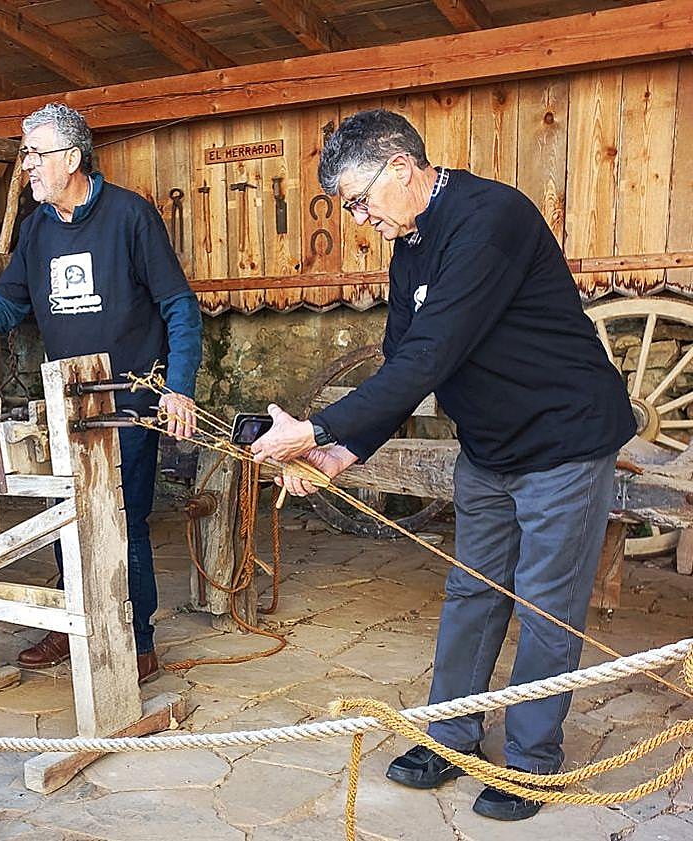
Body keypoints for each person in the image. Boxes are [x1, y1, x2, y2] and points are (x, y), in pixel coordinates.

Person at [249, 109, 634, 821]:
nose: (360, 217)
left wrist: (319, 424)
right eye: (349, 207)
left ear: (400, 166)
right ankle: (452, 738)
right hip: (489, 448)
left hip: (566, 443)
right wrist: (342, 451)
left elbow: (435, 353)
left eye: (360, 199)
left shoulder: (491, 220)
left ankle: (531, 765)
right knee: (472, 592)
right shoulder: (410, 247)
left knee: (546, 605)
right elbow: (405, 364)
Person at [0, 103, 202, 684]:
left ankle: (137, 635)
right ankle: (69, 624)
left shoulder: (131, 217)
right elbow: (10, 306)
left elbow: (178, 306)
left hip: (130, 401)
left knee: (125, 520)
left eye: (35, 154)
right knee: (62, 516)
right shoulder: (37, 229)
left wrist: (178, 390)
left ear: (71, 158)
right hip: (66, 404)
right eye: (26, 154)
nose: (27, 165)